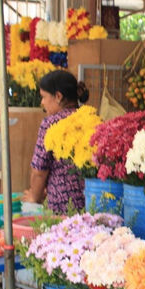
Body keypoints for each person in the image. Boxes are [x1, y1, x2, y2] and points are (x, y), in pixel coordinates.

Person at [21, 71, 88, 214]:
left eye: (44, 97)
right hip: (91, 202)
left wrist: (34, 196)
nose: (42, 102)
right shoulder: (89, 117)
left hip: (63, 207)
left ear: (58, 96)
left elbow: (40, 171)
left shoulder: (50, 123)